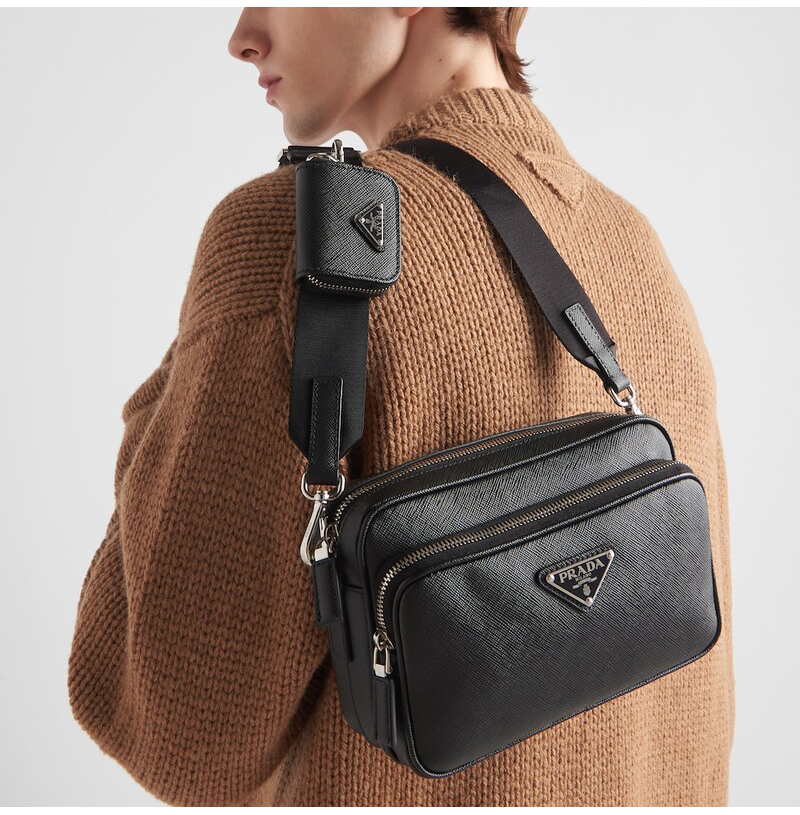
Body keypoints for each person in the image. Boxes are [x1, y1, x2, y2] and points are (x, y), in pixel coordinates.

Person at [67, 7, 734, 806]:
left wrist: (183, 374)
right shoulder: (633, 241)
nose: (243, 35)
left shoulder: (297, 242)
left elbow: (174, 733)